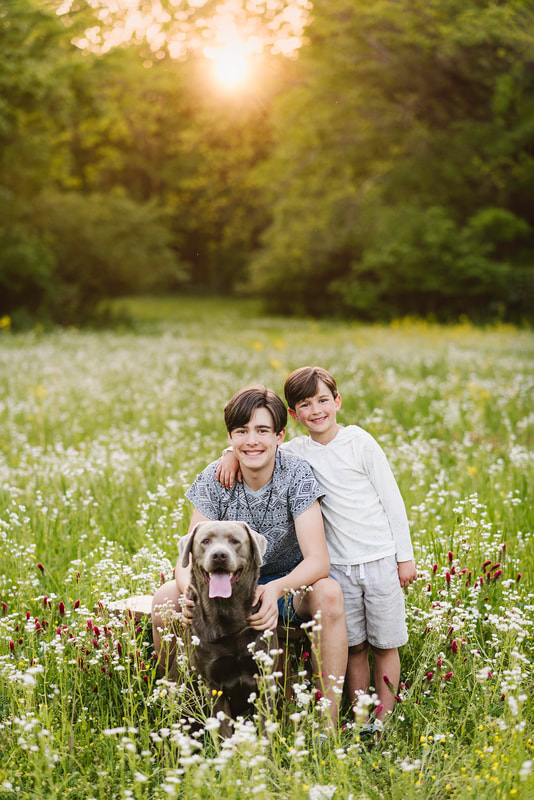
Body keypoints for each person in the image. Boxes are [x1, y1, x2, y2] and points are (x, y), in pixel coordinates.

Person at [218, 367, 417, 733]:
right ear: (293, 416)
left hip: (378, 560)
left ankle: (384, 719)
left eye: (323, 400)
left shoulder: (359, 442)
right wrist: (231, 454)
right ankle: (358, 718)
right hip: (338, 566)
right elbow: (257, 443)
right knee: (355, 646)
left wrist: (404, 557)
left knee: (386, 644)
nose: (316, 410)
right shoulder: (296, 450)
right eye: (305, 405)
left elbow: (393, 502)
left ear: (337, 401)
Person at [151, 384, 348, 728]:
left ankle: (325, 724)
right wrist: (188, 592)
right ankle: (180, 709)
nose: (252, 440)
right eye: (242, 432)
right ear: (230, 436)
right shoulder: (216, 476)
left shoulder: (296, 474)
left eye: (262, 431)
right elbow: (186, 559)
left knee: (329, 594)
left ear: (280, 436)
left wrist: (276, 589)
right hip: (222, 588)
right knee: (165, 597)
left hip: (284, 585)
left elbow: (318, 561)